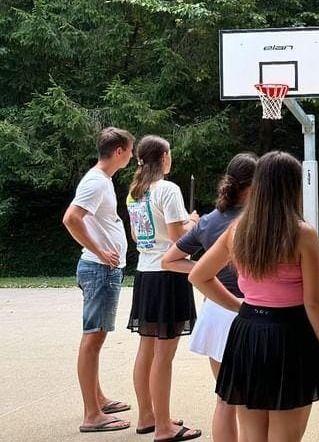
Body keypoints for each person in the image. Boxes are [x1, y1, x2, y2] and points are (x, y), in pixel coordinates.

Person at [189, 151, 319, 442]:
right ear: (293, 188)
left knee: (251, 434)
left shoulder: (238, 230)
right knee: (286, 434)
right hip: (292, 336)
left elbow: (199, 275)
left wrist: (239, 306)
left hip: (248, 333)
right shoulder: (303, 235)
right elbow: (314, 302)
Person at [161, 152, 258, 441]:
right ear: (254, 185)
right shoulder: (257, 221)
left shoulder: (209, 221)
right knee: (253, 401)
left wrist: (207, 273)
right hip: (249, 311)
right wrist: (208, 271)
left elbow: (169, 260)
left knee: (225, 398)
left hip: (216, 310)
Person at [126, 135, 201, 441]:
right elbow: (177, 238)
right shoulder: (168, 190)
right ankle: (163, 426)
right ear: (163, 157)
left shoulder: (135, 192)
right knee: (163, 356)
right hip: (168, 275)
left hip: (145, 274)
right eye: (169, 153)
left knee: (147, 349)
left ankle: (147, 416)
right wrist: (193, 223)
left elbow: (136, 236)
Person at [63, 127, 135, 433]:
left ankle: (99, 399)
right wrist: (100, 251)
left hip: (103, 269)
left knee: (97, 337)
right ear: (119, 151)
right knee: (93, 339)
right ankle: (91, 414)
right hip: (98, 269)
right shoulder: (95, 181)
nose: (132, 156)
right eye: (130, 150)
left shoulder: (102, 181)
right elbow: (71, 218)